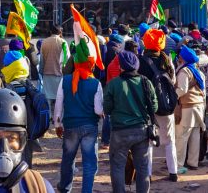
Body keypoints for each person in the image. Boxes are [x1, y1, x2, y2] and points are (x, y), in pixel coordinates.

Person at [104, 51, 158, 193]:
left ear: (121, 66)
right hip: (141, 131)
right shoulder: (146, 82)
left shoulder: (113, 84)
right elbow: (154, 107)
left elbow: (107, 108)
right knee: (142, 168)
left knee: (117, 167)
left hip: (119, 132)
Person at [54, 37, 103, 193]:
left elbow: (58, 105)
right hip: (90, 127)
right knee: (89, 164)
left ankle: (65, 188)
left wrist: (57, 124)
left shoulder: (65, 80)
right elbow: (97, 110)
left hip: (70, 126)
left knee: (68, 160)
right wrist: (103, 113)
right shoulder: (95, 83)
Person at [138, 28, 179, 181]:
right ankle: (173, 173)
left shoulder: (141, 61)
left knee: (148, 142)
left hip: (147, 107)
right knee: (170, 142)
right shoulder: (167, 60)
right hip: (166, 107)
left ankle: (147, 174)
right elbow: (173, 82)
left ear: (146, 43)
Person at [174, 45, 206, 170]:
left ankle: (178, 165)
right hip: (199, 106)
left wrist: (172, 95)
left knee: (182, 136)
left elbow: (182, 90)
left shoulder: (184, 71)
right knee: (195, 136)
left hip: (188, 107)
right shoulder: (198, 72)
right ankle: (193, 163)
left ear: (183, 57)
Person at [40, 25, 69, 118]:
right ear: (60, 33)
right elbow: (67, 58)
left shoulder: (44, 42)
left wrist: (41, 71)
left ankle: (49, 116)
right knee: (59, 98)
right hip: (60, 74)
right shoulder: (63, 42)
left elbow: (42, 60)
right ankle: (59, 116)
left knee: (48, 98)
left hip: (47, 73)